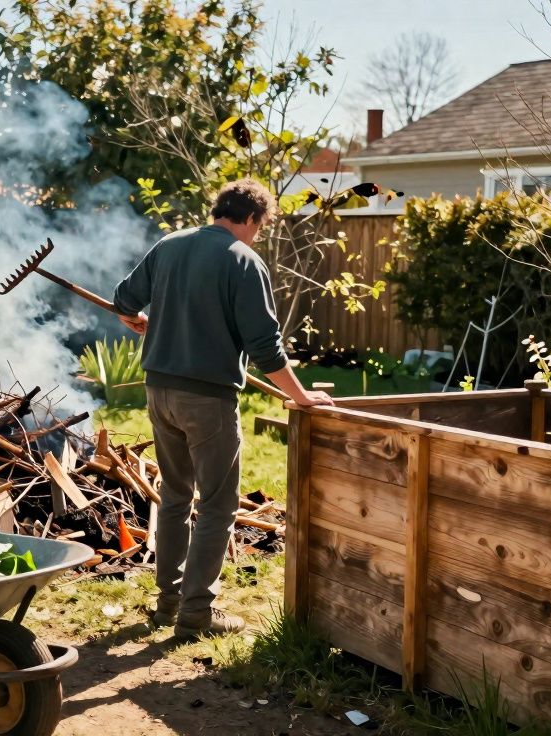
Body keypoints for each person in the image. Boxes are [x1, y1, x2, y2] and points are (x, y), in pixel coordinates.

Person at [112, 178, 334, 638]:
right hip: (206, 400)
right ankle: (196, 613)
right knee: (216, 505)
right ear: (251, 218)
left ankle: (168, 603)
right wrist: (300, 395)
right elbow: (266, 348)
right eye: (260, 227)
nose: (257, 236)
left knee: (174, 497)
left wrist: (136, 320)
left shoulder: (169, 245)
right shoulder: (242, 261)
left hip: (158, 391)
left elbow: (124, 298)